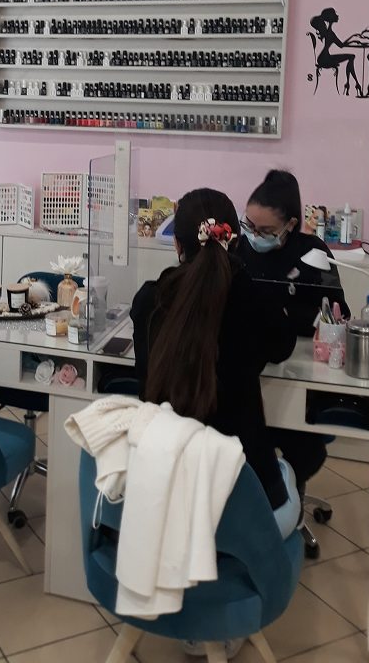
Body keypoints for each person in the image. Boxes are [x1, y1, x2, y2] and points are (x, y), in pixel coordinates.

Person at [131, 187, 296, 512]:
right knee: (288, 479)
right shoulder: (257, 303)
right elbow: (283, 347)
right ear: (235, 241)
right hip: (243, 501)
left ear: (178, 244)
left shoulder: (150, 300)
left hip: (165, 496)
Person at [234, 169, 350, 496]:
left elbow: (339, 314)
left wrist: (288, 316)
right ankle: (256, 497)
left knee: (305, 451)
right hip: (249, 370)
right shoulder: (239, 249)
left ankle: (287, 497)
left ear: (291, 225)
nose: (254, 235)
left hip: (300, 372)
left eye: (266, 231)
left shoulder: (314, 254)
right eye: (249, 225)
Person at [309, 7, 363, 96]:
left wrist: (353, 38)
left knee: (351, 57)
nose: (337, 16)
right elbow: (341, 45)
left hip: (323, 58)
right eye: (335, 14)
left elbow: (341, 45)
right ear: (330, 17)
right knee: (351, 57)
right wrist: (353, 40)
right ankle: (354, 83)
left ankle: (352, 84)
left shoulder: (329, 32)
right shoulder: (329, 33)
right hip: (325, 59)